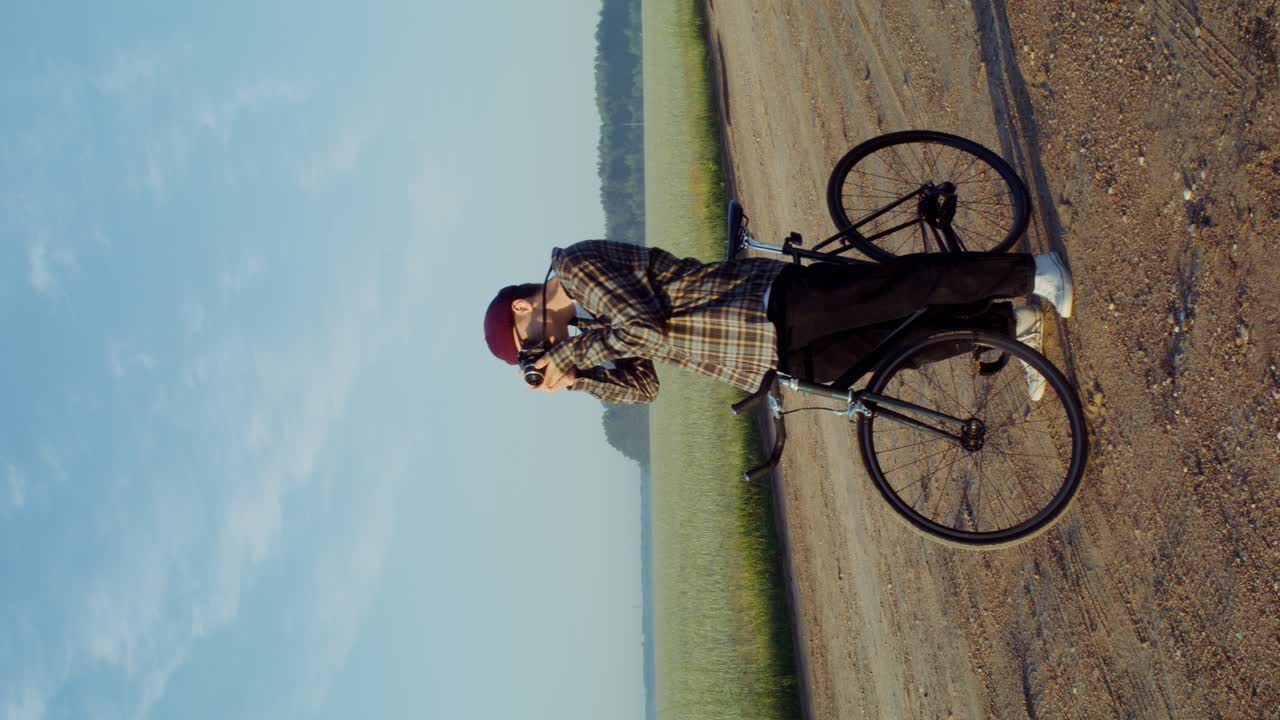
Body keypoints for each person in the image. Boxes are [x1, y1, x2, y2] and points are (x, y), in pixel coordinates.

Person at [482, 239, 1072, 404]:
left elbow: (647, 330)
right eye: (531, 359)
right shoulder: (589, 330)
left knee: (901, 289)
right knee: (900, 352)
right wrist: (577, 379)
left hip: (767, 303)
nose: (539, 353)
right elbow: (644, 387)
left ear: (523, 309)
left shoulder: (576, 269)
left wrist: (569, 356)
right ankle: (1010, 324)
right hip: (762, 358)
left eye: (527, 346)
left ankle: (1034, 272)